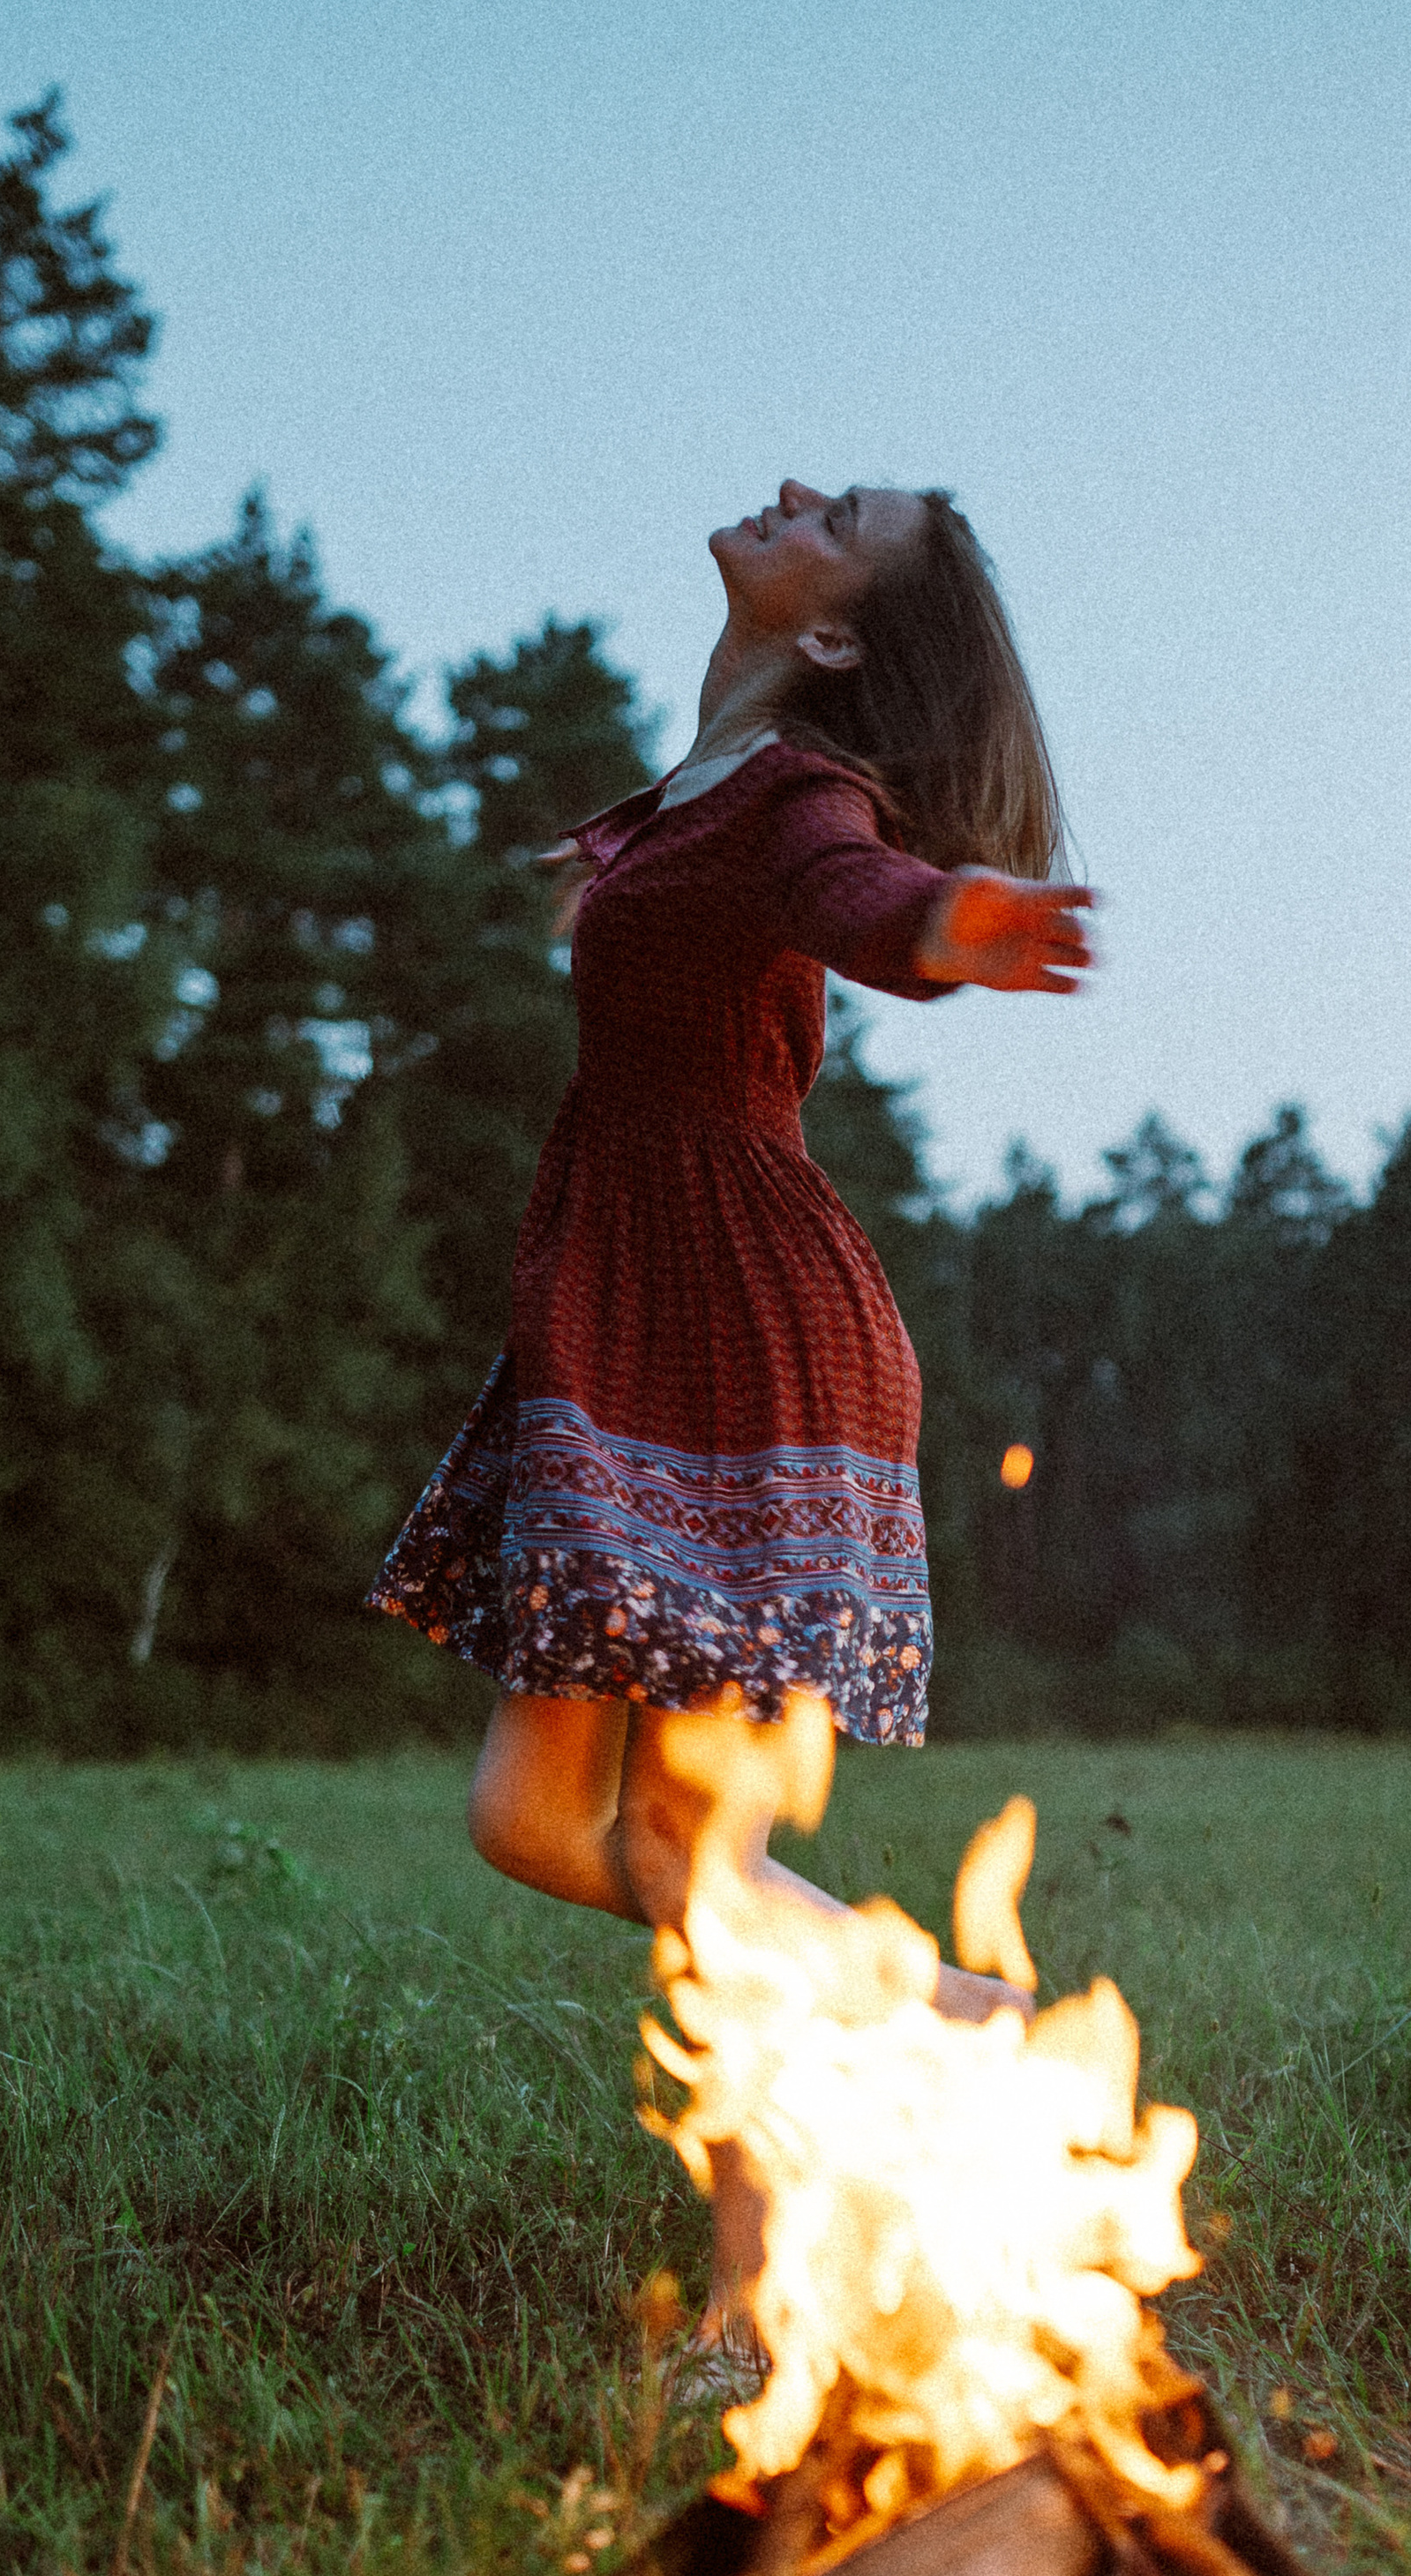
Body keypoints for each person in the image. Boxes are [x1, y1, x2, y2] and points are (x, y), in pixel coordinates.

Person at [369, 479, 1092, 2372]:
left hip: (739, 1331)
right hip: (624, 1308)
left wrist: (954, 922)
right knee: (531, 1817)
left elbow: (855, 899)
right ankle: (937, 2010)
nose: (791, 489)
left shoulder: (792, 800)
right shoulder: (694, 790)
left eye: (835, 513)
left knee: (697, 1854)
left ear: (837, 630)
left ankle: (758, 2317)